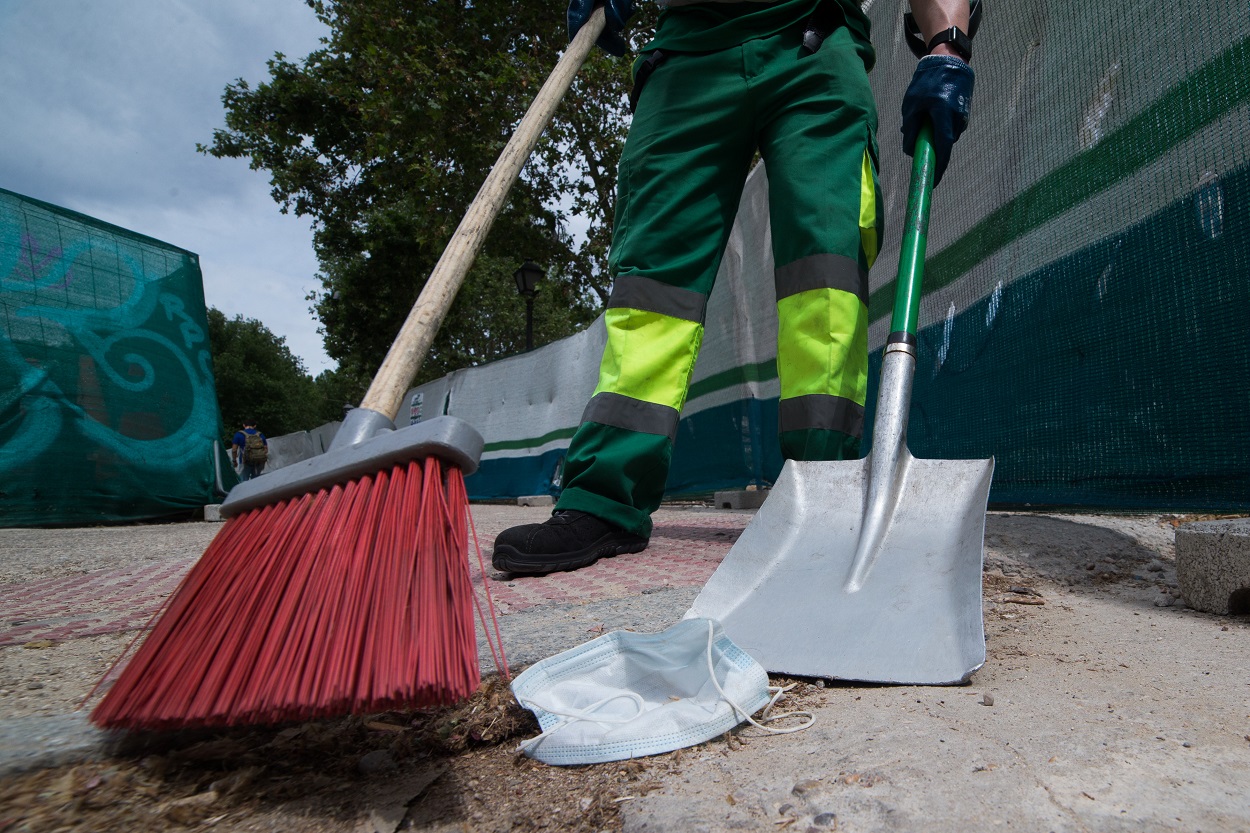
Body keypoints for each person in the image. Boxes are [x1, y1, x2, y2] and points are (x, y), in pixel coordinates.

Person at [492, 0, 976, 574]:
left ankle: (822, 492)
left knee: (824, 280)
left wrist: (945, 43)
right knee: (654, 290)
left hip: (813, 39)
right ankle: (604, 499)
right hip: (687, 55)